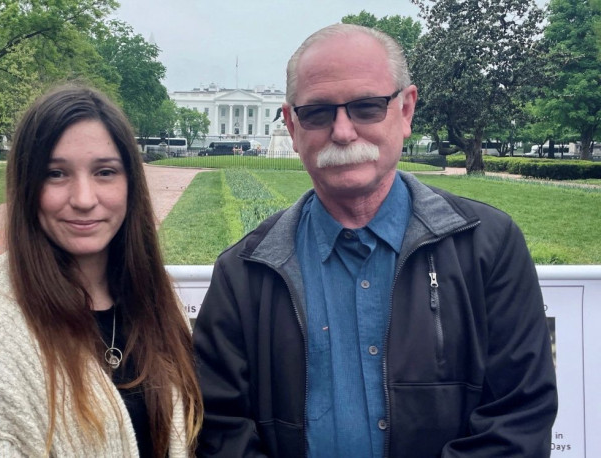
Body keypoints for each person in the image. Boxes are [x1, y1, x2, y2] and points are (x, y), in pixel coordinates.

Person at [193, 24, 557, 457]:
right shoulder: (244, 272)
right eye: (318, 112)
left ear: (406, 111)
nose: (343, 132)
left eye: (367, 107)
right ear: (291, 125)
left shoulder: (488, 247)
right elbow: (220, 429)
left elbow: (517, 419)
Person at [0, 84, 202, 457]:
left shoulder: (152, 297)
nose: (84, 199)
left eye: (105, 172)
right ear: (25, 185)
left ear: (130, 184)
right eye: (56, 174)